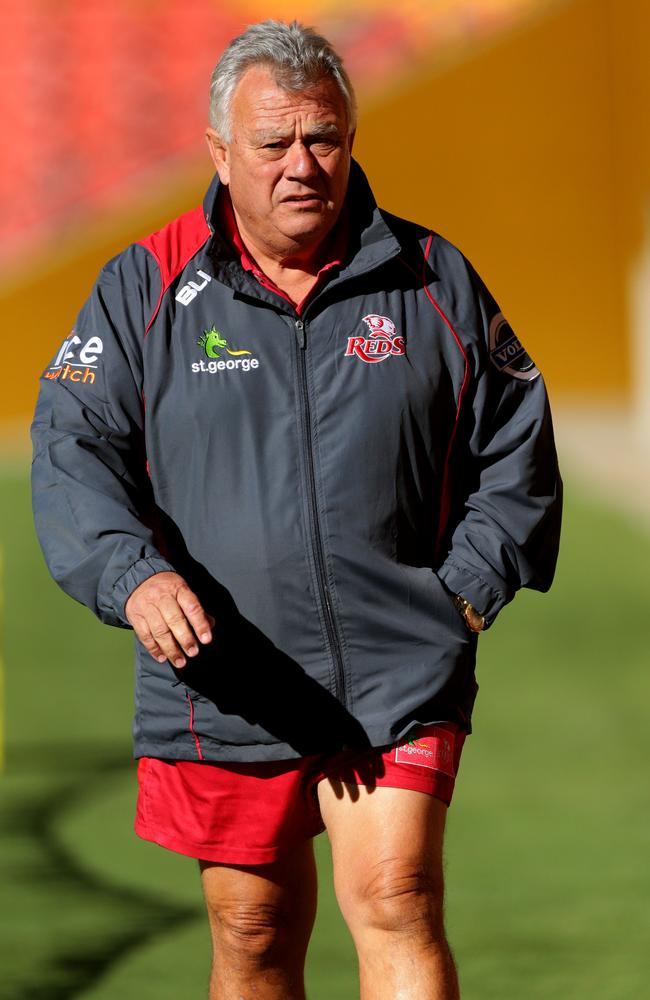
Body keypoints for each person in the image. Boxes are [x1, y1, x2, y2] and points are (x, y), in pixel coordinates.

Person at [31, 19, 562, 1000]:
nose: (300, 164)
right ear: (219, 154)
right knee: (253, 932)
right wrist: (130, 573)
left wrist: (466, 593)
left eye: (322, 136)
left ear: (352, 138)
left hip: (399, 666)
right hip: (223, 677)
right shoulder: (143, 286)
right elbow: (70, 449)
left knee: (398, 897)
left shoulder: (431, 277)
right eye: (272, 142)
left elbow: (515, 444)